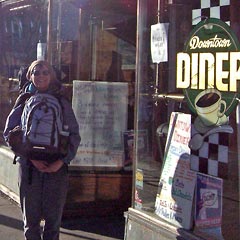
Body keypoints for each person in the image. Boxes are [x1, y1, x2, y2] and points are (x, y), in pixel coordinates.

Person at [3, 60, 81, 240]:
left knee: (53, 223)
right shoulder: (24, 99)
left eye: (45, 72)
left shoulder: (62, 100)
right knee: (31, 223)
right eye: (36, 72)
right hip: (29, 168)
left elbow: (74, 134)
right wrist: (30, 158)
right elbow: (10, 134)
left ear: (51, 75)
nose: (41, 76)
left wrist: (62, 162)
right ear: (30, 76)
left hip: (56, 169)